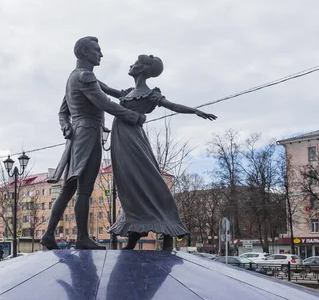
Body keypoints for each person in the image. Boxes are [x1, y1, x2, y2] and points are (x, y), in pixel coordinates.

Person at [100, 55, 216, 250]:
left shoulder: (150, 94)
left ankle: (167, 226)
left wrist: (195, 111)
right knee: (130, 185)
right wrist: (86, 75)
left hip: (133, 139)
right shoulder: (128, 92)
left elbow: (172, 106)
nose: (131, 64)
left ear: (143, 69)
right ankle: (135, 230)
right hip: (121, 139)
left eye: (135, 63)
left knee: (147, 178)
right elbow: (106, 89)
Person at [42, 36, 146, 250]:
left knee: (68, 189)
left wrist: (66, 126)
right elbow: (104, 102)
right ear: (85, 53)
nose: (101, 54)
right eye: (97, 50)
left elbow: (65, 111)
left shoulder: (74, 77)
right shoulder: (85, 77)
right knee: (84, 188)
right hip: (88, 134)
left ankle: (48, 234)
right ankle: (82, 237)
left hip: (77, 137)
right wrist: (133, 116)